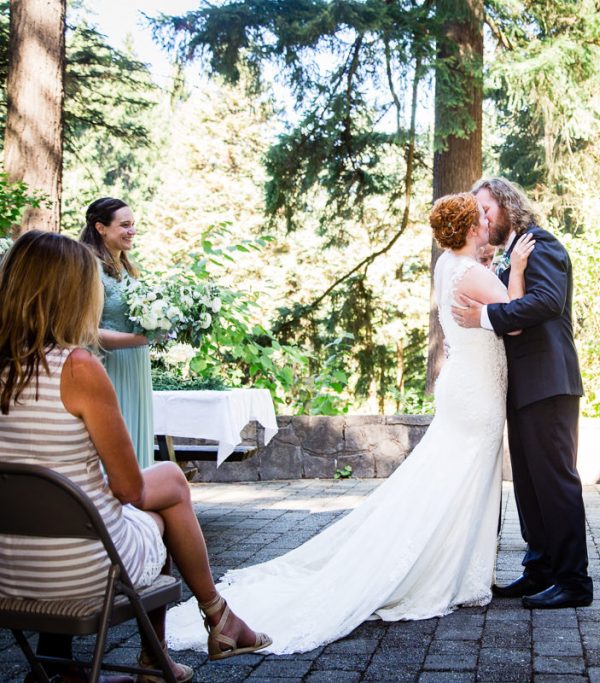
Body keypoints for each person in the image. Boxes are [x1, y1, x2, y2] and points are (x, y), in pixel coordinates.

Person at [166, 192, 534, 654]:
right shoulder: (475, 272)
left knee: (452, 475)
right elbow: (515, 322)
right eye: (480, 217)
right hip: (476, 390)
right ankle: (452, 574)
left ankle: (461, 570)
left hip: (465, 382)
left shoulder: (448, 266)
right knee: (463, 475)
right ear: (471, 229)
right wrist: (516, 269)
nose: (487, 220)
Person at [0, 231, 269, 683]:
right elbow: (129, 489)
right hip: (79, 574)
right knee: (165, 492)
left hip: (9, 570)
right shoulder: (78, 367)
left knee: (150, 492)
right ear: (73, 293)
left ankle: (61, 666)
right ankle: (184, 641)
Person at [451, 177, 593, 609]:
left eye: (487, 209)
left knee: (556, 484)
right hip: (522, 388)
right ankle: (540, 570)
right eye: (478, 212)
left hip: (550, 384)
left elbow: (548, 301)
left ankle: (573, 581)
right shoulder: (507, 257)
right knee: (530, 487)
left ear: (508, 206)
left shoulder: (541, 244)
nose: (482, 218)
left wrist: (486, 316)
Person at [79, 197, 156, 469]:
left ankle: (139, 504)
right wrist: (142, 339)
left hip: (134, 366)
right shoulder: (89, 267)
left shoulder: (127, 268)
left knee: (135, 436)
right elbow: (86, 332)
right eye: (124, 225)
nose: (132, 231)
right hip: (106, 366)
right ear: (100, 228)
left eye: (133, 225)